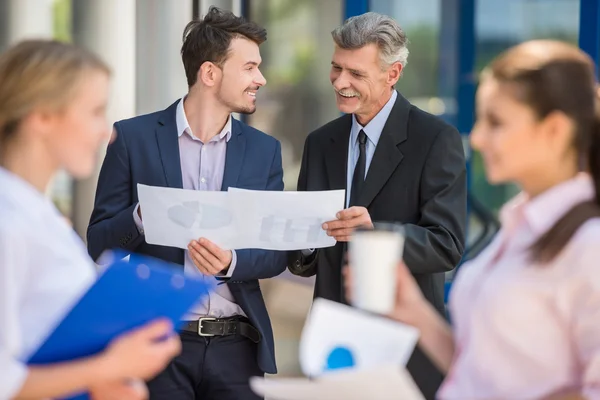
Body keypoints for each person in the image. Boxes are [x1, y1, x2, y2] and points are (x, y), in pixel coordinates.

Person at [347, 40, 600, 400]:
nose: (478, 138)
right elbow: (482, 374)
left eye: (496, 122)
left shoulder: (589, 245)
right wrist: (415, 312)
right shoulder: (519, 227)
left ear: (554, 130)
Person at [87, 7, 287, 400]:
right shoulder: (133, 138)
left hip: (239, 349)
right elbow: (98, 243)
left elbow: (274, 252)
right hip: (159, 345)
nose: (259, 79)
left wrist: (232, 261)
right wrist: (144, 215)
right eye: (249, 67)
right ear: (210, 74)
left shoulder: (265, 151)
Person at [287, 11, 466, 399]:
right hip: (332, 347)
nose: (340, 82)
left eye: (356, 73)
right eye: (336, 68)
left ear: (393, 73)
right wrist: (294, 233)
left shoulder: (435, 139)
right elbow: (305, 257)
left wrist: (376, 234)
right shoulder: (320, 143)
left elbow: (446, 243)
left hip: (404, 347)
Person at [0, 40, 181, 400]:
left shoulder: (40, 215)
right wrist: (111, 367)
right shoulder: (9, 222)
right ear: (42, 116)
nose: (107, 132)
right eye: (95, 111)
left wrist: (104, 381)